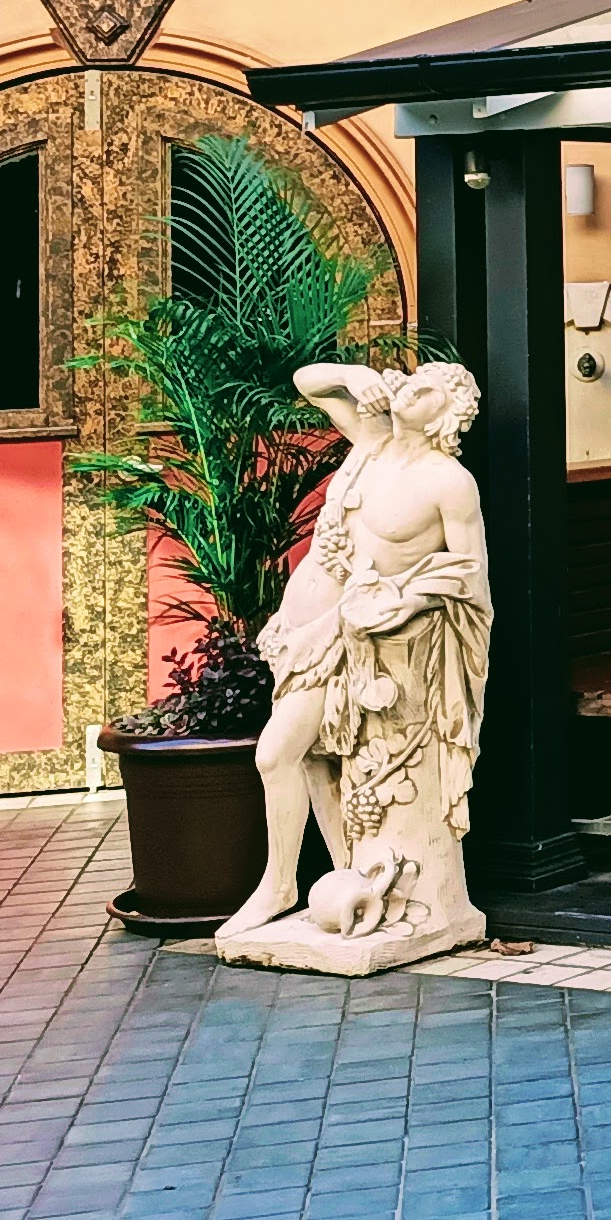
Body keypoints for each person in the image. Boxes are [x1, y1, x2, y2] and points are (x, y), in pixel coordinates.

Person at [219, 359, 493, 957]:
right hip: (304, 631)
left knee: (277, 753)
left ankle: (279, 883)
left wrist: (405, 599)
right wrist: (352, 371)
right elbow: (305, 382)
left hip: (363, 637)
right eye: (406, 379)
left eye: (422, 389)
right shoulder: (369, 443)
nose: (405, 387)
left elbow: (471, 572)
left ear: (445, 415)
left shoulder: (449, 481)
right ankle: (348, 877)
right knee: (322, 761)